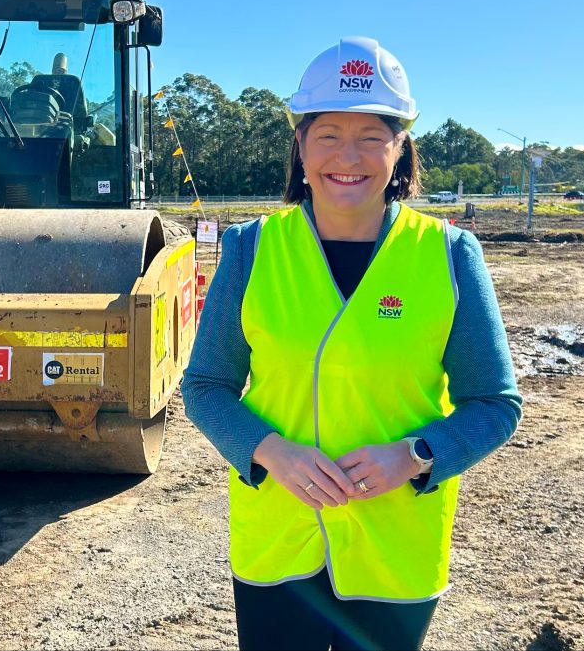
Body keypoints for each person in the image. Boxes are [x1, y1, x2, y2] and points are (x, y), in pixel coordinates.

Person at [182, 36, 522, 651]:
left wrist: (415, 456)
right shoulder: (251, 249)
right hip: (280, 537)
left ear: (400, 149)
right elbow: (206, 386)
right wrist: (269, 451)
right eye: (329, 133)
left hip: (397, 543)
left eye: (372, 135)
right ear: (301, 146)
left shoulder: (447, 255)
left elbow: (495, 404)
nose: (349, 155)